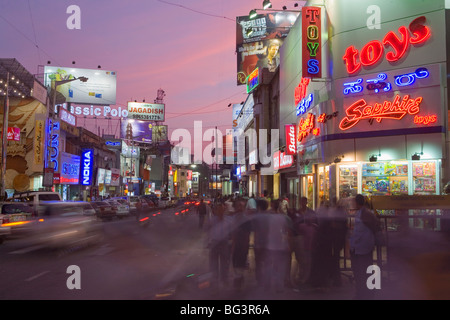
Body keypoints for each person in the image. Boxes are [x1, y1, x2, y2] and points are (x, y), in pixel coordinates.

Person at [350, 194, 379, 300]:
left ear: (357, 203)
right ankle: (362, 293)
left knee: (363, 272)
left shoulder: (366, 214)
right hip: (358, 247)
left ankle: (366, 294)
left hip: (363, 248)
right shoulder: (361, 213)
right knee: (360, 272)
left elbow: (375, 226)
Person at [265, 199, 294, 292]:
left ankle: (269, 283)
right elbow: (289, 232)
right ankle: (278, 284)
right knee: (278, 265)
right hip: (280, 244)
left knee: (271, 264)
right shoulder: (284, 218)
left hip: (271, 244)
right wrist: (288, 244)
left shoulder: (269, 218)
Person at [207, 201, 233, 289]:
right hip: (214, 244)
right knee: (213, 265)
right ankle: (214, 284)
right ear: (216, 211)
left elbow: (231, 233)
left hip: (224, 244)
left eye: (222, 209)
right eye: (219, 209)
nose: (221, 211)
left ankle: (224, 280)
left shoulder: (228, 220)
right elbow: (207, 231)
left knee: (224, 264)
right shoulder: (212, 221)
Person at [230, 197, 252, 290]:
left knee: (241, 262)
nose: (240, 208)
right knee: (235, 262)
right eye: (238, 206)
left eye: (241, 206)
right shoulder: (233, 218)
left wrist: (246, 244)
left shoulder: (245, 219)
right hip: (235, 244)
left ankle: (239, 279)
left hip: (242, 244)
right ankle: (237, 278)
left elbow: (247, 233)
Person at [295, 197, 318, 286]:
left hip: (309, 239)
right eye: (301, 201)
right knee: (301, 259)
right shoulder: (298, 212)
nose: (303, 203)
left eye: (304, 201)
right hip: (301, 239)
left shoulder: (311, 212)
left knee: (307, 259)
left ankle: (306, 277)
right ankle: (302, 276)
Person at [329, 197, 349, 287]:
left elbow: (334, 224)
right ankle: (335, 277)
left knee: (335, 258)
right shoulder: (342, 213)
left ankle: (335, 278)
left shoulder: (336, 212)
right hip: (339, 238)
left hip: (336, 238)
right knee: (336, 258)